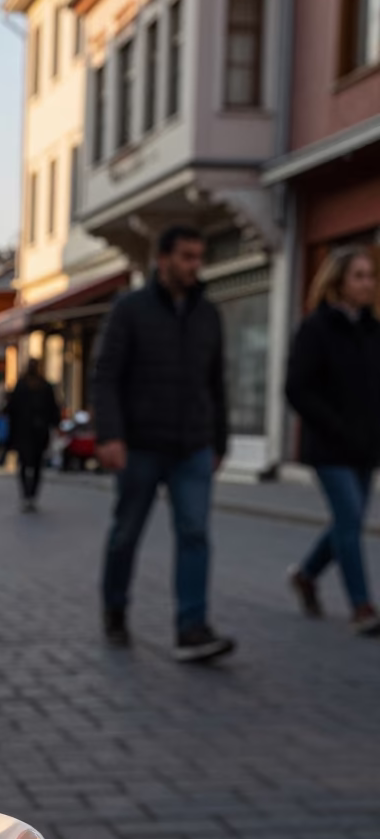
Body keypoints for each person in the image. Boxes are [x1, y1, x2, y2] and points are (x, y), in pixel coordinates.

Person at [93, 224, 235, 664]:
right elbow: (106, 377)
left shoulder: (208, 314)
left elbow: (217, 383)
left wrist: (219, 441)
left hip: (192, 445)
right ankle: (115, 608)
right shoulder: (130, 309)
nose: (196, 265)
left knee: (195, 533)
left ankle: (192, 628)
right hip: (139, 445)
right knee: (126, 534)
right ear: (164, 260)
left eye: (199, 257)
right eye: (187, 257)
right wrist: (110, 435)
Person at [285, 248, 380, 636]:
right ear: (338, 281)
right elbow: (297, 389)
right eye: (359, 276)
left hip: (367, 447)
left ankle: (306, 575)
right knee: (349, 519)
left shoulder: (374, 331)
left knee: (349, 519)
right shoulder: (316, 328)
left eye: (371, 276)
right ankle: (362, 607)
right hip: (329, 446)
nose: (368, 283)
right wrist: (334, 424)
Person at [6, 361, 61, 512]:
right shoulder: (41, 386)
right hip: (35, 432)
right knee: (35, 464)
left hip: (27, 432)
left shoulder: (26, 386)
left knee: (27, 464)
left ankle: (27, 495)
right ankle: (30, 495)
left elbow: (11, 410)